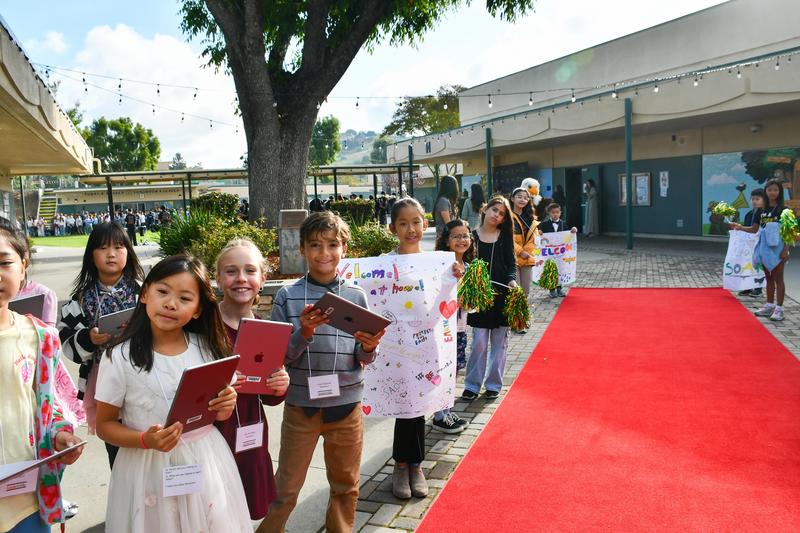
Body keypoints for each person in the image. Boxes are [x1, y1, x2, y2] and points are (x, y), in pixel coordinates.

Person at [94, 255, 251, 532]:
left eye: (185, 298)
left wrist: (226, 404)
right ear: (145, 294)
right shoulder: (119, 356)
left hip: (204, 458)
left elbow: (218, 413)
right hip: (146, 467)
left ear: (198, 309)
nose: (170, 303)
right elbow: (104, 425)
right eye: (162, 291)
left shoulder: (207, 349)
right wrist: (145, 439)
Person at [260, 212, 384, 533]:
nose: (324, 253)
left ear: (345, 248)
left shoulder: (356, 295)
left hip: (346, 407)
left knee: (345, 485)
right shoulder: (288, 296)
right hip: (302, 407)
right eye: (315, 245)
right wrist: (304, 332)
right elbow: (278, 357)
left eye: (332, 245)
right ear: (302, 249)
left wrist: (369, 347)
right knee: (285, 488)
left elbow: (362, 356)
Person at [0, 221, 84, 532]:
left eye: (4, 262)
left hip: (27, 498)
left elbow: (49, 406)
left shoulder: (41, 336)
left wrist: (62, 436)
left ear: (23, 266)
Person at [385, 198, 465, 498]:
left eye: (416, 222)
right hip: (394, 347)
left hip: (425, 345)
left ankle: (414, 465)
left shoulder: (437, 263)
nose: (411, 229)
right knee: (401, 406)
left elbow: (444, 301)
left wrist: (454, 277)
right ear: (393, 228)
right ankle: (401, 464)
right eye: (403, 223)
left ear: (426, 224)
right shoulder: (384, 264)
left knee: (417, 407)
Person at [214, 238, 290, 521]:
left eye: (250, 270)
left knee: (244, 514)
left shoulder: (265, 328)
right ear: (219, 278)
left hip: (250, 433)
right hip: (215, 435)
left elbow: (269, 396)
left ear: (263, 278)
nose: (241, 279)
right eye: (231, 271)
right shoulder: (205, 325)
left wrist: (280, 384)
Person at [58, 223, 144, 468]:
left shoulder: (144, 291)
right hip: (103, 379)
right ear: (91, 256)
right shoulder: (82, 298)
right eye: (103, 248)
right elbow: (65, 338)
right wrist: (88, 338)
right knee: (115, 446)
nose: (111, 254)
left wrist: (139, 332)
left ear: (128, 251)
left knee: (143, 434)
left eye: (119, 247)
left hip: (141, 373)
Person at [462, 196, 517, 401]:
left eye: (502, 213)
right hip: (479, 299)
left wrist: (511, 281)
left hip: (502, 295)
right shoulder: (471, 236)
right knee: (479, 342)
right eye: (494, 210)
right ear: (485, 209)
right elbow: (462, 261)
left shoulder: (504, 236)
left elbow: (511, 264)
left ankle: (493, 384)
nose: (497, 215)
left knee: (500, 342)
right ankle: (472, 385)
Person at [432, 218, 474, 433]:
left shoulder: (468, 265)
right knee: (444, 368)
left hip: (459, 327)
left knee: (455, 368)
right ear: (447, 241)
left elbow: (469, 301)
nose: (462, 240)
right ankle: (439, 416)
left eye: (465, 235)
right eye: (456, 236)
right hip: (443, 329)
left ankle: (447, 410)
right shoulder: (440, 264)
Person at [731, 179, 791, 321]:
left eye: (775, 190)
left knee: (778, 279)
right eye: (769, 190)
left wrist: (785, 250)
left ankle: (779, 309)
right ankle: (769, 305)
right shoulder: (761, 210)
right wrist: (739, 227)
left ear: (779, 192)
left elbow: (789, 232)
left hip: (779, 249)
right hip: (764, 249)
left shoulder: (785, 210)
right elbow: (754, 229)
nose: (772, 193)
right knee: (768, 278)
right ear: (766, 191)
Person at [539, 203, 578, 298]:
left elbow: (568, 235)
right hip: (550, 253)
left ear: (560, 212)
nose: (555, 214)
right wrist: (539, 232)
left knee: (561, 269)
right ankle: (552, 290)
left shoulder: (563, 223)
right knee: (551, 270)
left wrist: (573, 230)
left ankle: (559, 289)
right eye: (553, 213)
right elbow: (539, 233)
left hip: (561, 253)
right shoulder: (544, 224)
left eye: (557, 212)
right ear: (549, 213)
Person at [509, 187, 538, 310]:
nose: (522, 200)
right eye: (519, 197)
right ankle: (515, 322)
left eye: (526, 198)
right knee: (515, 292)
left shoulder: (531, 217)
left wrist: (527, 252)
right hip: (512, 258)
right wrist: (521, 252)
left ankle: (522, 319)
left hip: (527, 259)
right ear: (512, 198)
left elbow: (533, 238)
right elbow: (506, 238)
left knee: (525, 292)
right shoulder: (507, 217)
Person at [738, 188, 767, 297]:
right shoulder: (750, 213)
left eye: (757, 199)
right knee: (747, 265)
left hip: (759, 244)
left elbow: (755, 229)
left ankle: (758, 289)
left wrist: (741, 228)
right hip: (749, 244)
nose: (754, 201)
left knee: (758, 265)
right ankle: (747, 287)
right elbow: (747, 227)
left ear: (764, 200)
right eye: (753, 199)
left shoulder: (764, 214)